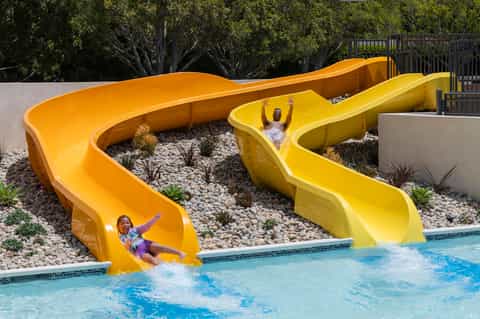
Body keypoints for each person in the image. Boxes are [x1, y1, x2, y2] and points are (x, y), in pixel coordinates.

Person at [117, 213, 186, 265]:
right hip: (139, 250)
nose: (125, 225)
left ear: (130, 224)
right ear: (118, 226)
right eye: (122, 223)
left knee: (161, 248)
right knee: (153, 261)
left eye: (127, 223)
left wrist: (155, 218)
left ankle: (179, 253)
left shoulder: (135, 230)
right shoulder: (120, 237)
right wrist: (127, 245)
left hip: (147, 244)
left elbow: (146, 226)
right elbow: (125, 248)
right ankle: (167, 268)